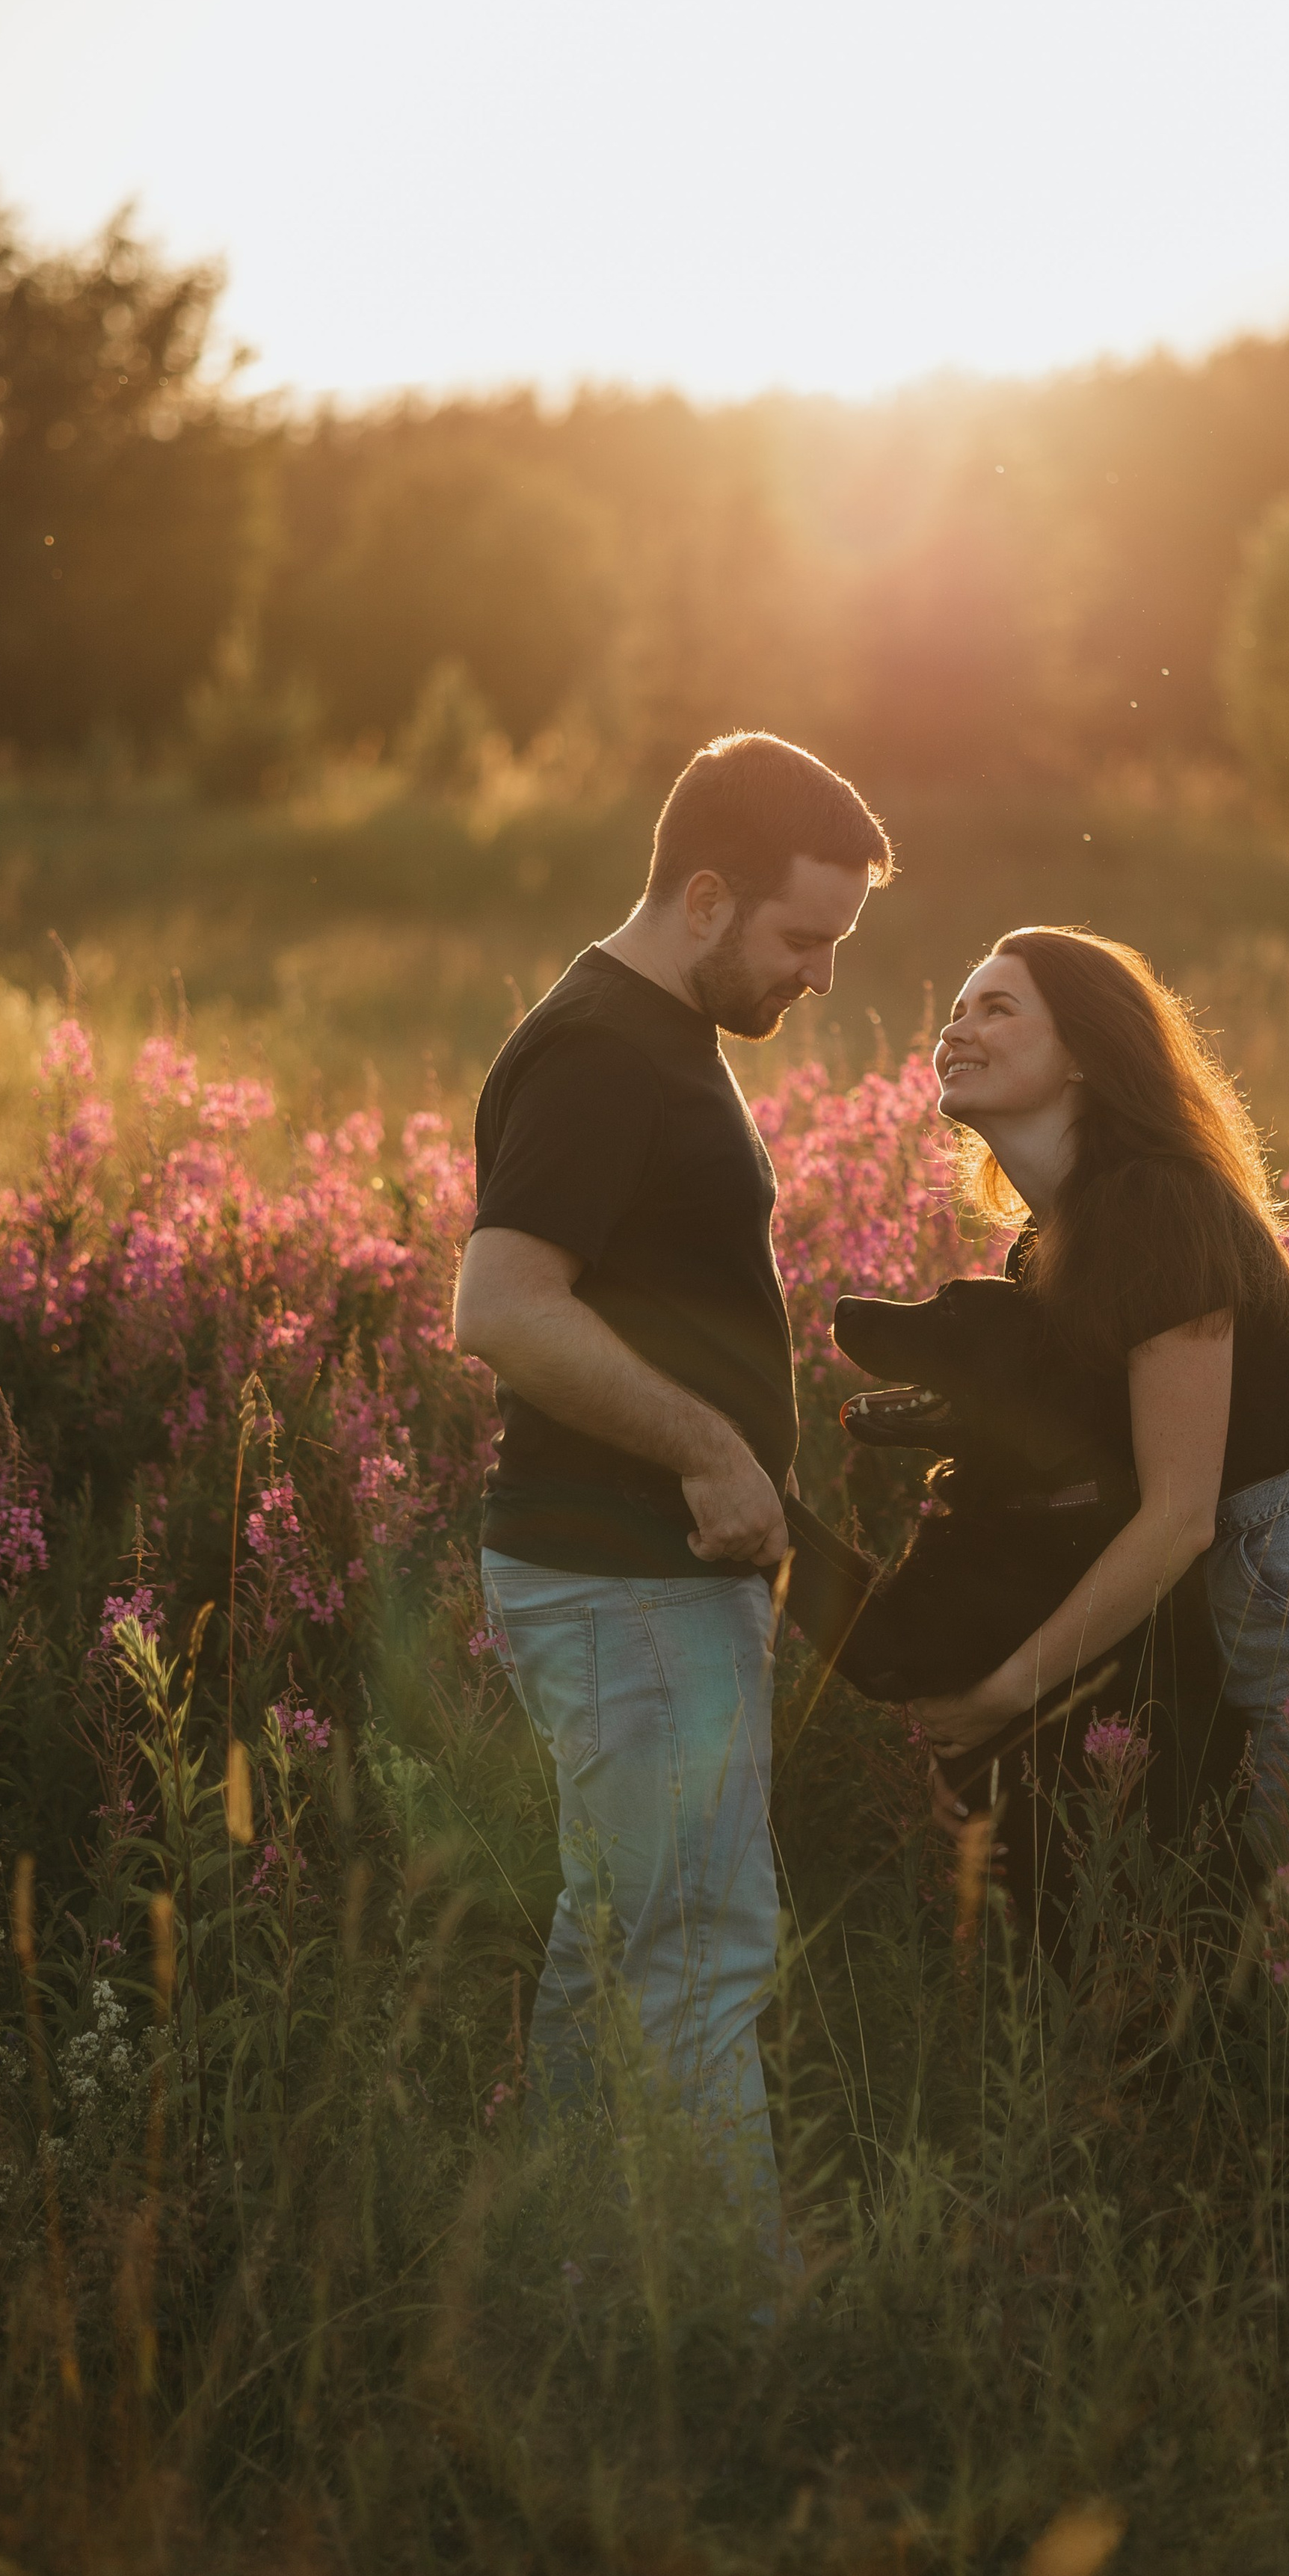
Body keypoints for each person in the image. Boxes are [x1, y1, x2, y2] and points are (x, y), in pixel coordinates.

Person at [452, 731, 893, 2201]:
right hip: (623, 1577)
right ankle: (728, 2307)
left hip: (636, 1576)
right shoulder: (602, 1051)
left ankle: (576, 2274)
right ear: (705, 897)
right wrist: (711, 1451)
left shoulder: (652, 1038)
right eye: (801, 939)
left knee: (621, 1946)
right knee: (699, 1954)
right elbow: (503, 1307)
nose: (818, 977)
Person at [908, 926, 1289, 1962]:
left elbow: (1176, 1518)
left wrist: (996, 1702)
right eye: (957, 1009)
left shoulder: (1156, 1205)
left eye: (997, 1008)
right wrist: (993, 1739)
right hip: (1216, 1599)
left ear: (1084, 1051)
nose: (955, 1029)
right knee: (1259, 1975)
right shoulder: (1052, 1243)